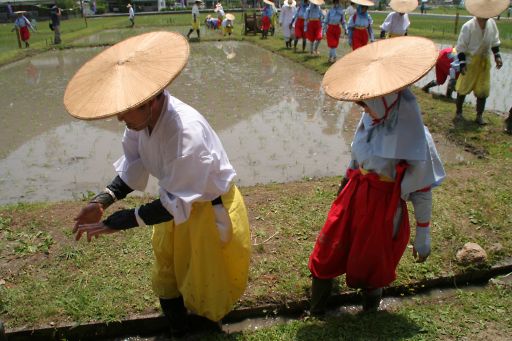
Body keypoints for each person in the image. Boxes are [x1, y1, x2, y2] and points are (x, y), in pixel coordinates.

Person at [65, 31, 251, 337]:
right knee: (168, 275)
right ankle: (179, 331)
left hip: (206, 211)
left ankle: (207, 331)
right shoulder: (139, 121)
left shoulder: (184, 133)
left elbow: (176, 202)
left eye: (124, 112)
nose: (119, 118)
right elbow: (134, 164)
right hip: (174, 209)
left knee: (204, 282)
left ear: (149, 101)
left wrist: (120, 222)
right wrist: (102, 201)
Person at [309, 36, 445, 313]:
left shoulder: (416, 138)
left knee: (371, 263)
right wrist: (343, 187)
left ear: (389, 100)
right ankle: (315, 310)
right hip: (354, 196)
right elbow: (355, 158)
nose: (364, 110)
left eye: (368, 103)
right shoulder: (371, 119)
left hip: (383, 207)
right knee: (326, 251)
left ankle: (370, 311)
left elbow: (421, 189)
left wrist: (423, 233)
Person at [454, 0, 507, 125]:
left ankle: (479, 116)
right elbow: (461, 47)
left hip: (484, 62)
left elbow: (494, 42)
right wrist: (462, 63)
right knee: (463, 88)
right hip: (470, 62)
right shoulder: (468, 26)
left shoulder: (492, 24)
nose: (485, 17)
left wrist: (497, 56)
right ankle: (459, 113)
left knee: (483, 90)